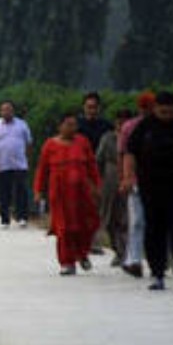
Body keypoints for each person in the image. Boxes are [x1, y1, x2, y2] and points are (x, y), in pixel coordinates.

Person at [123, 91, 173, 291]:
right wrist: (128, 177)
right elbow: (130, 153)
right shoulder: (145, 127)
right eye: (162, 112)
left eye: (170, 112)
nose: (166, 116)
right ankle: (157, 274)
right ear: (155, 109)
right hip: (152, 188)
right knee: (155, 230)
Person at [34, 114, 101, 276]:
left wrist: (97, 186)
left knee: (87, 223)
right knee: (64, 228)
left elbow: (92, 166)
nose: (72, 128)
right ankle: (67, 261)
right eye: (68, 125)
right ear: (60, 126)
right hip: (60, 194)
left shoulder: (82, 142)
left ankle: (82, 253)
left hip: (81, 193)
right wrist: (38, 191)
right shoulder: (50, 145)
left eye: (74, 125)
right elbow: (42, 170)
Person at [117, 92, 156, 277]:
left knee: (150, 221)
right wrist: (124, 178)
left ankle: (157, 259)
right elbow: (123, 154)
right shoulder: (130, 127)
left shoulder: (162, 126)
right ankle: (134, 259)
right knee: (137, 221)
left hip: (159, 180)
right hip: (136, 180)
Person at [76, 92, 114, 255]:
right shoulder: (77, 126)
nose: (92, 110)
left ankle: (94, 242)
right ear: (84, 108)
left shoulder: (106, 126)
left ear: (99, 108)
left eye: (94, 107)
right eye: (89, 107)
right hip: (80, 170)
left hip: (100, 171)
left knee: (98, 207)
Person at [0, 101, 33, 228]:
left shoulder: (22, 125)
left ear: (13, 111)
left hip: (20, 164)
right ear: (0, 112)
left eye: (9, 110)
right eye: (4, 110)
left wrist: (27, 159)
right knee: (4, 193)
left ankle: (22, 217)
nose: (6, 112)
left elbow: (29, 143)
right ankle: (5, 219)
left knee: (21, 192)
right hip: (3, 164)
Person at [95, 110, 130, 267]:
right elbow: (99, 160)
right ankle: (117, 249)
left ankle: (125, 253)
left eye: (125, 121)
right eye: (119, 121)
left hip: (128, 177)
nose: (121, 124)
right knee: (109, 218)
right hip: (110, 178)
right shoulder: (107, 137)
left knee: (126, 218)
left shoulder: (133, 137)